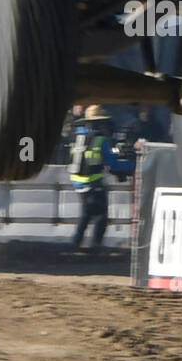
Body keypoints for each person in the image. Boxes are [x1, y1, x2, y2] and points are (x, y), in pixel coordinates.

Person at [69, 105, 134, 252]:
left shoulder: (77, 135)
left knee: (86, 214)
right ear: (98, 122)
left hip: (78, 183)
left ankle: (76, 242)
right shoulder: (99, 140)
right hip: (93, 183)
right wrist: (131, 163)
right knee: (101, 216)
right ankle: (95, 245)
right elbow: (112, 164)